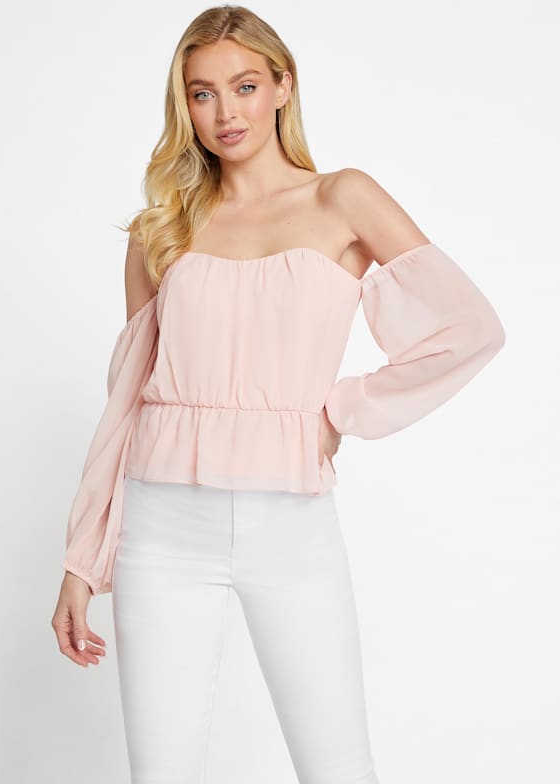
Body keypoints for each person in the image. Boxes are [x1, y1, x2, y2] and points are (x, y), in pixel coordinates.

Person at [51, 6, 506, 783]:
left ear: (283, 86)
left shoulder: (343, 199)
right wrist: (82, 561)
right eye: (202, 93)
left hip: (291, 525)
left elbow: (469, 329)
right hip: (163, 528)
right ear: (184, 106)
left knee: (338, 768)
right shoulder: (162, 227)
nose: (225, 112)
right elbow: (126, 402)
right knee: (161, 773)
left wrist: (341, 411)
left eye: (245, 85)